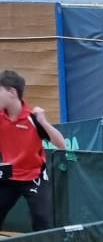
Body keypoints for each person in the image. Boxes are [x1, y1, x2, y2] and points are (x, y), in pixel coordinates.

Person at [0, 69, 66, 233]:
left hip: (33, 177)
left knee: (42, 221)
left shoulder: (33, 119)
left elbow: (62, 145)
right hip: (8, 176)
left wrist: (43, 122)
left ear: (12, 92)